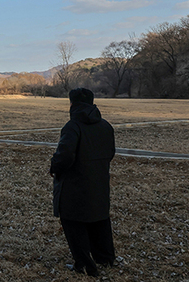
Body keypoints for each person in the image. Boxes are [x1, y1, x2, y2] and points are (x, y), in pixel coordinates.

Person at [49, 87, 116, 277]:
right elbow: (110, 153)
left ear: (72, 104)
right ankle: (106, 257)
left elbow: (65, 156)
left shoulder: (72, 127)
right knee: (100, 219)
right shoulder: (106, 126)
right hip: (100, 183)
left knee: (73, 222)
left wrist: (54, 167)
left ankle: (85, 264)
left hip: (74, 186)